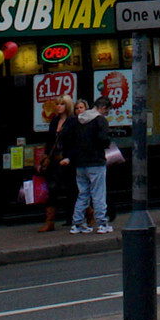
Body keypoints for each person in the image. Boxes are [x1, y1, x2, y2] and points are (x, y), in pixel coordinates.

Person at [68, 92, 113, 234]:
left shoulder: (78, 120)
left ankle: (77, 223)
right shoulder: (100, 121)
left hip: (80, 163)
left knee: (83, 194)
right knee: (98, 193)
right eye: (107, 110)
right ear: (103, 107)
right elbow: (104, 140)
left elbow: (72, 140)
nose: (107, 113)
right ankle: (102, 223)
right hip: (96, 161)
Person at [37, 97, 73, 233]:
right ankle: (49, 221)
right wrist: (43, 159)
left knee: (71, 190)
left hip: (67, 161)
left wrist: (69, 157)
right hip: (54, 161)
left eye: (62, 104)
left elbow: (75, 142)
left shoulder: (72, 121)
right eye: (57, 104)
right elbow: (49, 142)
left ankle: (87, 213)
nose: (59, 106)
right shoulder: (54, 121)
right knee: (52, 189)